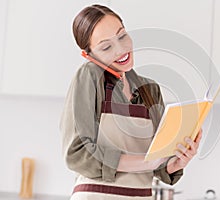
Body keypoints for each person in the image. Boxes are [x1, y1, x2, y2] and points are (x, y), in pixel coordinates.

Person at [59, 4, 202, 200]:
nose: (121, 49)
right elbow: (76, 153)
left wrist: (174, 163)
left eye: (122, 36)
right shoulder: (90, 76)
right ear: (89, 55)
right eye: (106, 46)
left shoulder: (149, 89)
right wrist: (145, 162)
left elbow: (157, 163)